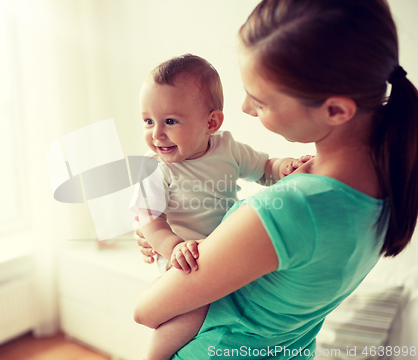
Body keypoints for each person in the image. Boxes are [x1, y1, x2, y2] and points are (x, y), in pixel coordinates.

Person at [134, 0, 418, 359]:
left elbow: (146, 312)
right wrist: (162, 234)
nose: (246, 109)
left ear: (335, 110)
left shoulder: (289, 210)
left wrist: (175, 247)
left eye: (260, 101)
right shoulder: (387, 186)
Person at [132, 54, 309, 360]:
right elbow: (150, 221)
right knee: (195, 309)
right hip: (187, 259)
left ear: (211, 122)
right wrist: (174, 246)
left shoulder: (227, 149)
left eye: (170, 121)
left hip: (225, 250)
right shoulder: (155, 169)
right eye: (148, 121)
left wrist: (286, 166)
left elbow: (265, 167)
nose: (156, 134)